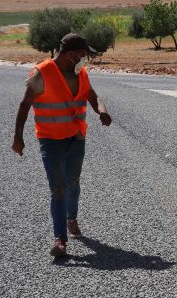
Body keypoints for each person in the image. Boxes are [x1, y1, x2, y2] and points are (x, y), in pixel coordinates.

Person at [11, 33, 113, 257]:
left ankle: (71, 218)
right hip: (50, 139)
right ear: (71, 55)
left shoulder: (81, 73)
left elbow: (93, 96)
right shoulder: (42, 72)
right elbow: (24, 104)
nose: (85, 60)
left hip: (76, 137)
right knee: (57, 188)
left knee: (73, 182)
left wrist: (102, 111)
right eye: (83, 56)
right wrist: (18, 137)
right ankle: (60, 239)